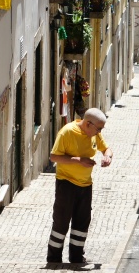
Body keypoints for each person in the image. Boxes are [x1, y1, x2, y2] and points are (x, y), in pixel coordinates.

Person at [47, 107, 114, 263]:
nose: (99, 132)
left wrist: (107, 157)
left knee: (82, 220)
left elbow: (107, 148)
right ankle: (53, 257)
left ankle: (77, 257)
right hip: (66, 183)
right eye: (99, 128)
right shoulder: (67, 132)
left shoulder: (94, 134)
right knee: (62, 221)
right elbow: (54, 157)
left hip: (85, 185)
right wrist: (78, 160)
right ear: (88, 124)